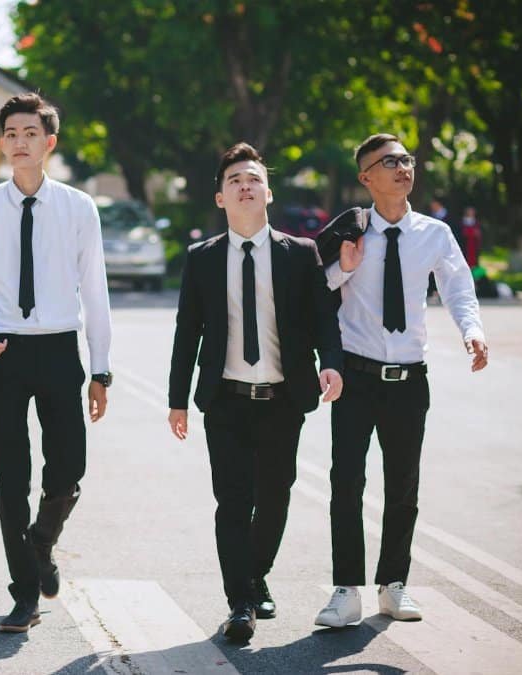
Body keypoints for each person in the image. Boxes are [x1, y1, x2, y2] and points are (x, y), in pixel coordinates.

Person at [167, 143, 344, 643]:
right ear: (220, 198)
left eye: (252, 178)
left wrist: (331, 363)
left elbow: (322, 318)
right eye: (233, 180)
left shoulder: (300, 253)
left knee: (275, 496)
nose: (244, 185)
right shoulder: (201, 258)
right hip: (224, 401)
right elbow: (188, 331)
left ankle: (255, 574)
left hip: (283, 398)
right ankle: (240, 602)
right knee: (231, 501)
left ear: (268, 191)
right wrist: (177, 399)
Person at [0, 93, 112, 633]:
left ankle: (41, 541)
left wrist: (101, 367)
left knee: (68, 467)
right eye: (11, 133)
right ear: (3, 143)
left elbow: (95, 289)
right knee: (9, 477)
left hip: (59, 348)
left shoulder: (78, 207)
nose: (19, 142)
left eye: (29, 133)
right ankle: (24, 593)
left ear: (49, 142)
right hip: (4, 351)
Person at [315, 133, 488, 628]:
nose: (402, 167)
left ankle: (394, 585)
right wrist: (341, 270)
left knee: (403, 487)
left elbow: (459, 287)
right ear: (366, 176)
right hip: (356, 376)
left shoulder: (434, 233)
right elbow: (315, 293)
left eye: (406, 159)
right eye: (389, 161)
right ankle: (346, 590)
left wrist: (472, 331)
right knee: (345, 483)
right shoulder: (351, 233)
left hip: (410, 379)